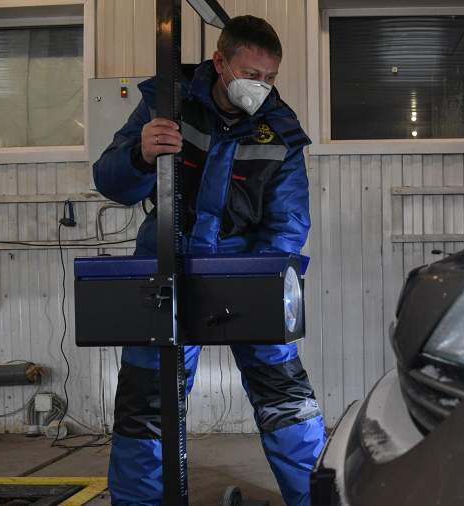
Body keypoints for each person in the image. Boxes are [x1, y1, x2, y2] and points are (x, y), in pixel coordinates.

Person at [93, 15, 325, 506]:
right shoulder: (166, 104)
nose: (261, 88)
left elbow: (288, 220)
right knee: (147, 403)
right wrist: (140, 154)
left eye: (270, 78)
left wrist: (262, 285)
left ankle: (315, 500)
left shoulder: (279, 129)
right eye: (252, 74)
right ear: (220, 62)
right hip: (165, 261)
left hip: (248, 270)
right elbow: (112, 182)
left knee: (284, 394)